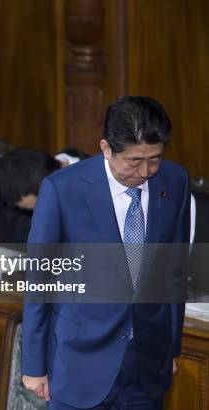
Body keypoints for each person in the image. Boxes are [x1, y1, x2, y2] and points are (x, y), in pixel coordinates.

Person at [22, 96, 190, 409]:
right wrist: (34, 365)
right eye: (134, 161)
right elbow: (39, 279)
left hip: (147, 366)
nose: (145, 171)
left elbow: (174, 271)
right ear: (106, 148)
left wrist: (171, 349)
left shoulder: (175, 181)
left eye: (154, 159)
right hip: (78, 362)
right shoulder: (63, 189)